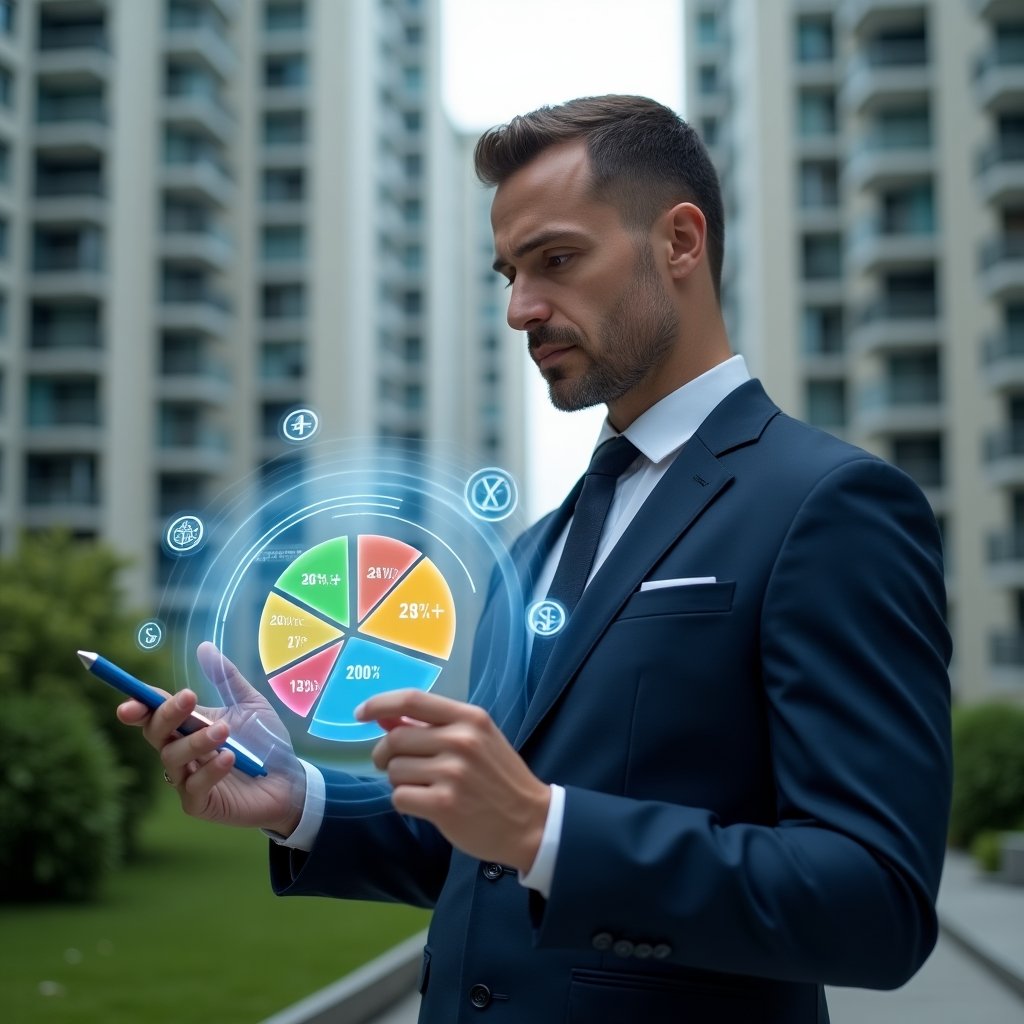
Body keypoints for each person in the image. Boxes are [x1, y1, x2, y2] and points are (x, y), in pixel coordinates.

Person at [120, 95, 952, 1023]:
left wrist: (546, 827)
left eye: (556, 259)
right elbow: (479, 846)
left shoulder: (829, 506)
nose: (521, 308)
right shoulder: (540, 544)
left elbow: (873, 902)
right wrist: (298, 800)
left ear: (681, 242)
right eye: (508, 272)